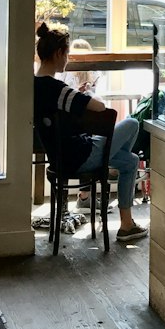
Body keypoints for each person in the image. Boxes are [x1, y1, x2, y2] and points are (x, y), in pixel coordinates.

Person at [33, 23, 147, 244]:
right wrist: (83, 94)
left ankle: (127, 225)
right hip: (80, 156)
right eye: (67, 54)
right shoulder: (56, 89)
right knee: (132, 123)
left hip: (60, 157)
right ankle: (108, 167)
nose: (68, 60)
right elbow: (99, 107)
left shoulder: (34, 85)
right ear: (58, 54)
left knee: (131, 161)